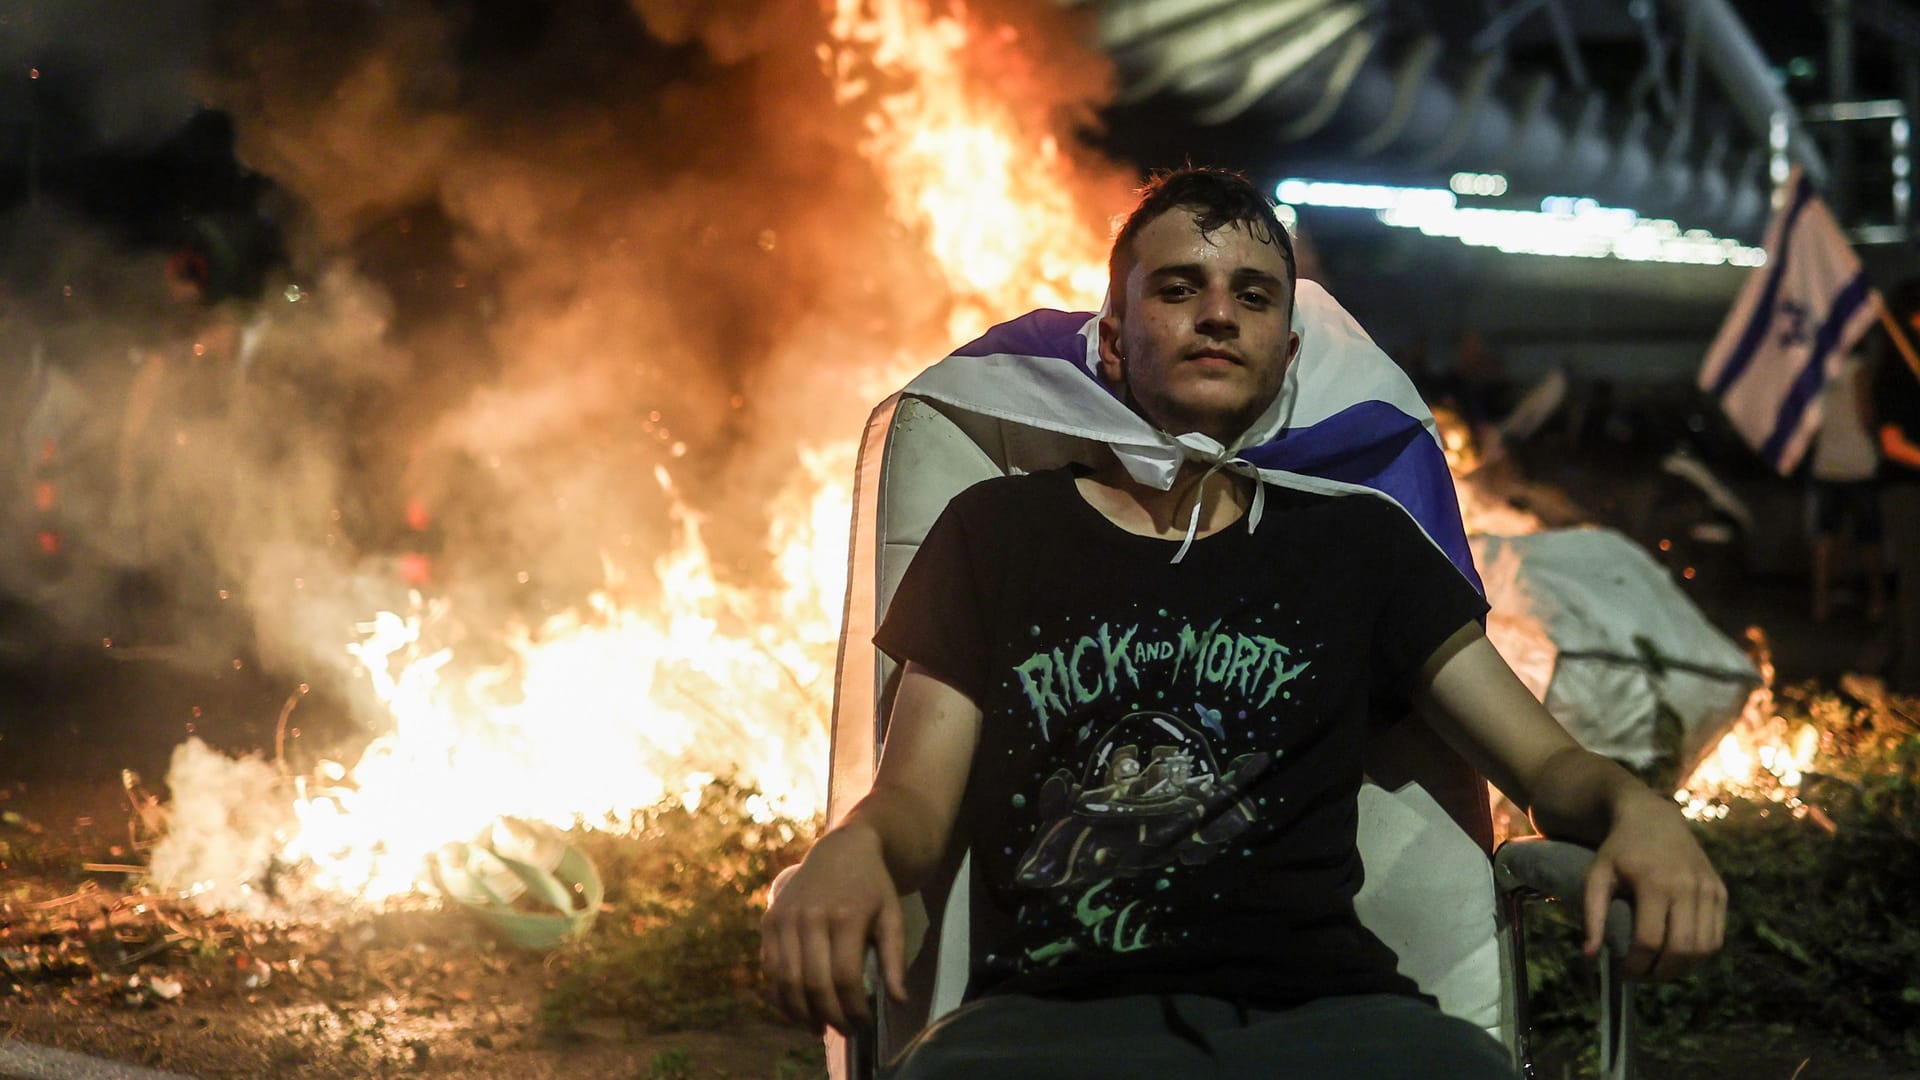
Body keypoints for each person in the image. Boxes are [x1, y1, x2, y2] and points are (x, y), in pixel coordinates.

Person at [761, 168, 1725, 1078]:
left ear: (1288, 352)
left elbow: (1548, 766)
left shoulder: (1362, 544)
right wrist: (848, 849)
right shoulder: (997, 530)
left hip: (1328, 1014)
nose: (1219, 313)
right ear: (1110, 338)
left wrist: (1642, 811)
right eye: (1179, 288)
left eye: (1256, 296)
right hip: (1055, 1019)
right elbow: (914, 808)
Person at [1806, 350, 1885, 624]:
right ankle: (1877, 599)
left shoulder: (1820, 368)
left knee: (1825, 536)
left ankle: (1820, 601)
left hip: (1826, 463)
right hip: (1859, 463)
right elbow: (1865, 413)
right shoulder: (1858, 368)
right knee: (1870, 538)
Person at [1868, 278, 1920, 692]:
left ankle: (1880, 667)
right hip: (1906, 492)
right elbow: (1892, 446)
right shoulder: (1895, 369)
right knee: (1914, 585)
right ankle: (1906, 683)